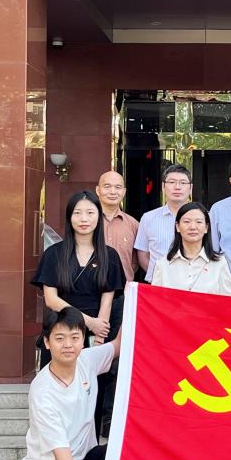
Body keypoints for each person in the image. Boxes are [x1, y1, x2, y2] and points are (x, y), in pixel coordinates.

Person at [19, 307, 137, 460]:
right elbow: (61, 450)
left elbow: (118, 345)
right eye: (59, 338)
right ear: (47, 342)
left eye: (74, 337)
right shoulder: (42, 390)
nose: (68, 345)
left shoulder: (87, 360)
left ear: (83, 340)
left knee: (124, 453)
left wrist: (133, 303)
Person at [32, 191, 125, 384]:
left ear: (99, 217)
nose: (84, 219)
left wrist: (99, 337)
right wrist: (89, 322)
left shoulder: (110, 256)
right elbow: (51, 299)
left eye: (90, 213)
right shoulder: (54, 254)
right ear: (69, 217)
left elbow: (107, 300)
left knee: (94, 391)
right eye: (77, 213)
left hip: (97, 334)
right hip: (61, 332)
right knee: (59, 387)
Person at [94, 171, 138, 438]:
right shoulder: (87, 219)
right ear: (98, 190)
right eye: (107, 186)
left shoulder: (132, 224)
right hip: (89, 300)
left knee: (115, 360)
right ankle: (88, 418)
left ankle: (109, 421)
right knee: (88, 357)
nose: (112, 191)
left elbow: (135, 262)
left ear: (124, 192)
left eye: (117, 187)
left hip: (121, 300)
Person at [151, 202, 231, 295]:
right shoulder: (163, 265)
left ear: (206, 227)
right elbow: (155, 300)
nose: (193, 227)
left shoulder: (219, 263)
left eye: (199, 222)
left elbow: (227, 301)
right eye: (187, 222)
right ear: (177, 227)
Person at [134, 164, 192, 283]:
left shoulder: (204, 218)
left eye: (183, 183)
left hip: (194, 285)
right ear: (163, 186)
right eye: (172, 182)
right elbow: (143, 256)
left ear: (190, 188)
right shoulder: (148, 218)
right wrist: (158, 276)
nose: (177, 187)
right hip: (159, 285)